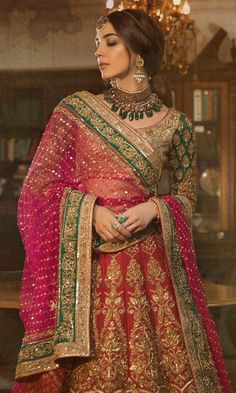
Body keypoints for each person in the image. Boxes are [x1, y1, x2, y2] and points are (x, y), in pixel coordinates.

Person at [12, 9, 233, 393]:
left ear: (139, 50)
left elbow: (186, 195)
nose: (99, 51)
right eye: (97, 43)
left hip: (152, 270)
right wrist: (89, 211)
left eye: (110, 42)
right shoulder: (75, 111)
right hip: (87, 268)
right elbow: (38, 187)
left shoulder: (176, 125)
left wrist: (156, 207)